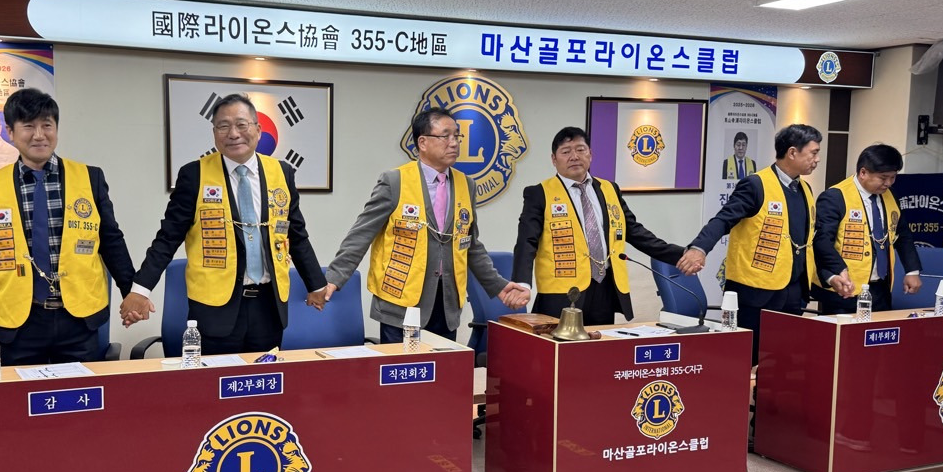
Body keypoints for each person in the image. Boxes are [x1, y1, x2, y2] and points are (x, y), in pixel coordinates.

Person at [119, 94, 326, 355]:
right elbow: (168, 238)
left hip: (269, 307)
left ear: (258, 129)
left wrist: (315, 284)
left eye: (241, 124)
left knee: (264, 377)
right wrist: (140, 289)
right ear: (214, 133)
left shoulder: (282, 172)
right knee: (214, 379)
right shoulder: (194, 175)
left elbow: (296, 234)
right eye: (223, 126)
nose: (233, 133)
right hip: (214, 310)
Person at [0, 88, 137, 365]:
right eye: (29, 126)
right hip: (19, 322)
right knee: (22, 392)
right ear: (10, 132)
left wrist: (131, 292)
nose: (39, 135)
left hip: (79, 320)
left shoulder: (90, 178)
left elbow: (111, 241)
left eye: (47, 125)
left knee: (80, 391)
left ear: (56, 129)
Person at [321, 108, 530, 343]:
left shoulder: (466, 185)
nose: (454, 143)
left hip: (446, 303)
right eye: (445, 136)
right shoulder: (395, 182)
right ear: (423, 142)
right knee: (403, 367)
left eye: (457, 136)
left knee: (442, 365)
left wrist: (499, 286)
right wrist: (334, 278)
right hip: (401, 301)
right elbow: (361, 234)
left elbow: (470, 245)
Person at [678, 123, 822, 358]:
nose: (817, 160)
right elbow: (723, 219)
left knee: (784, 358)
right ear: (792, 152)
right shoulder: (755, 184)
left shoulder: (805, 189)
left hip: (793, 291)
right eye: (813, 153)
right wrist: (699, 248)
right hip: (755, 293)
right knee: (749, 358)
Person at [513, 126, 684, 324]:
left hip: (604, 287)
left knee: (599, 341)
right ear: (554, 159)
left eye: (580, 149)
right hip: (561, 292)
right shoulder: (539, 193)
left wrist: (681, 255)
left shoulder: (609, 189)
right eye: (566, 152)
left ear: (590, 154)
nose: (574, 157)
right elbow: (526, 241)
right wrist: (521, 283)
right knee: (559, 343)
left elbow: (635, 232)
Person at [813, 143, 921, 314]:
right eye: (883, 178)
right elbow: (822, 241)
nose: (888, 183)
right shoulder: (835, 197)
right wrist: (837, 271)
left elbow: (902, 235)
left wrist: (912, 270)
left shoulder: (890, 196)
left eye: (893, 177)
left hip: (880, 288)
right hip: (845, 289)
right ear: (863, 173)